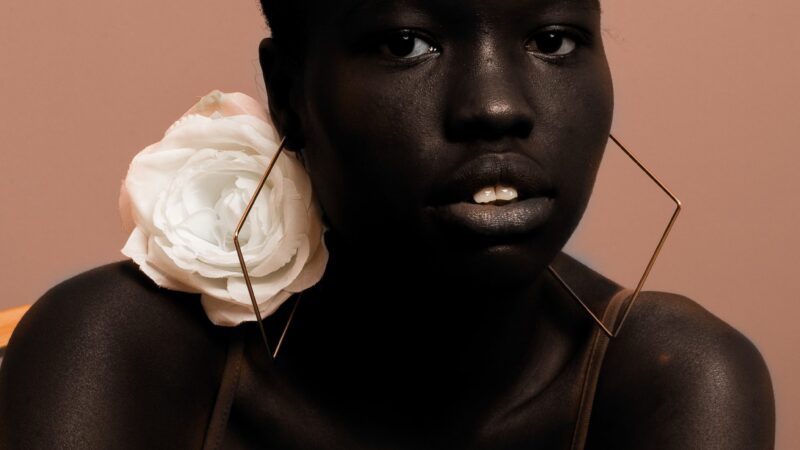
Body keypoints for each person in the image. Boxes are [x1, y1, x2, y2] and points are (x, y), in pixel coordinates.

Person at [0, 0, 775, 448]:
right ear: (287, 91)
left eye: (552, 40)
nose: (497, 105)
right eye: (406, 43)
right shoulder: (121, 353)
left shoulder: (670, 384)